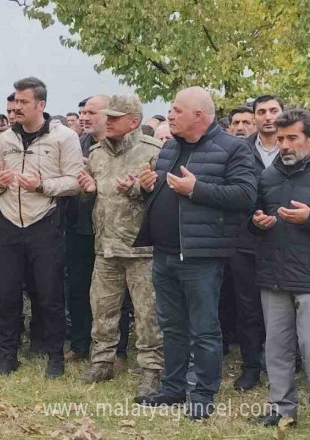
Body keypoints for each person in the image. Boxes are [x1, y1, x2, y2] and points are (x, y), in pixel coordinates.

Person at [133, 87, 257, 419]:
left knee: (203, 329)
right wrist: (150, 186)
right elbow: (168, 192)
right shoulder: (170, 146)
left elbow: (246, 196)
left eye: (176, 110)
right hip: (164, 252)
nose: (169, 115)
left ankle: (202, 394)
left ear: (198, 116)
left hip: (201, 255)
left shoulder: (233, 149)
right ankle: (173, 388)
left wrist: (197, 189)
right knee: (171, 326)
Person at [0, 77, 83, 379]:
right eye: (15, 101)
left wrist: (43, 185)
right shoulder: (5, 139)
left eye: (23, 102)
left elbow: (74, 181)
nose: (16, 107)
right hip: (9, 223)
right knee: (6, 293)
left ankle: (55, 357)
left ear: (40, 105)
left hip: (44, 222)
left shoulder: (64, 137)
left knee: (49, 294)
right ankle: (7, 355)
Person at [75, 94, 164, 396]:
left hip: (142, 250)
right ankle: (102, 362)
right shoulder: (97, 153)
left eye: (115, 117)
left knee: (147, 314)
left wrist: (141, 189)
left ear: (134, 121)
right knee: (102, 308)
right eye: (107, 116)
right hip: (106, 246)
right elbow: (95, 191)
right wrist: (88, 189)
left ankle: (152, 370)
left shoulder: (154, 151)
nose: (107, 121)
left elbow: (164, 198)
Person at [220, 95, 284, 392]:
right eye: (262, 112)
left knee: (285, 307)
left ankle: (282, 365)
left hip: (289, 241)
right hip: (245, 240)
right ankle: (250, 367)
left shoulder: (296, 146)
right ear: (254, 117)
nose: (268, 117)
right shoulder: (238, 150)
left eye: (274, 111)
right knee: (248, 308)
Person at [251, 109, 310, 428]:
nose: (284, 145)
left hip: (308, 278)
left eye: (293, 138)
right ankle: (282, 409)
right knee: (276, 349)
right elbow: (253, 217)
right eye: (281, 138)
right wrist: (257, 222)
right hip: (273, 276)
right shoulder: (268, 176)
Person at [65, 94, 110, 362]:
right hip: (77, 226)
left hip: (110, 230)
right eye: (82, 113)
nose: (84, 117)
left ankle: (116, 350)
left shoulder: (117, 146)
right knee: (78, 289)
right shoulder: (77, 144)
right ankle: (80, 345)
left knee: (111, 294)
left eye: (91, 112)